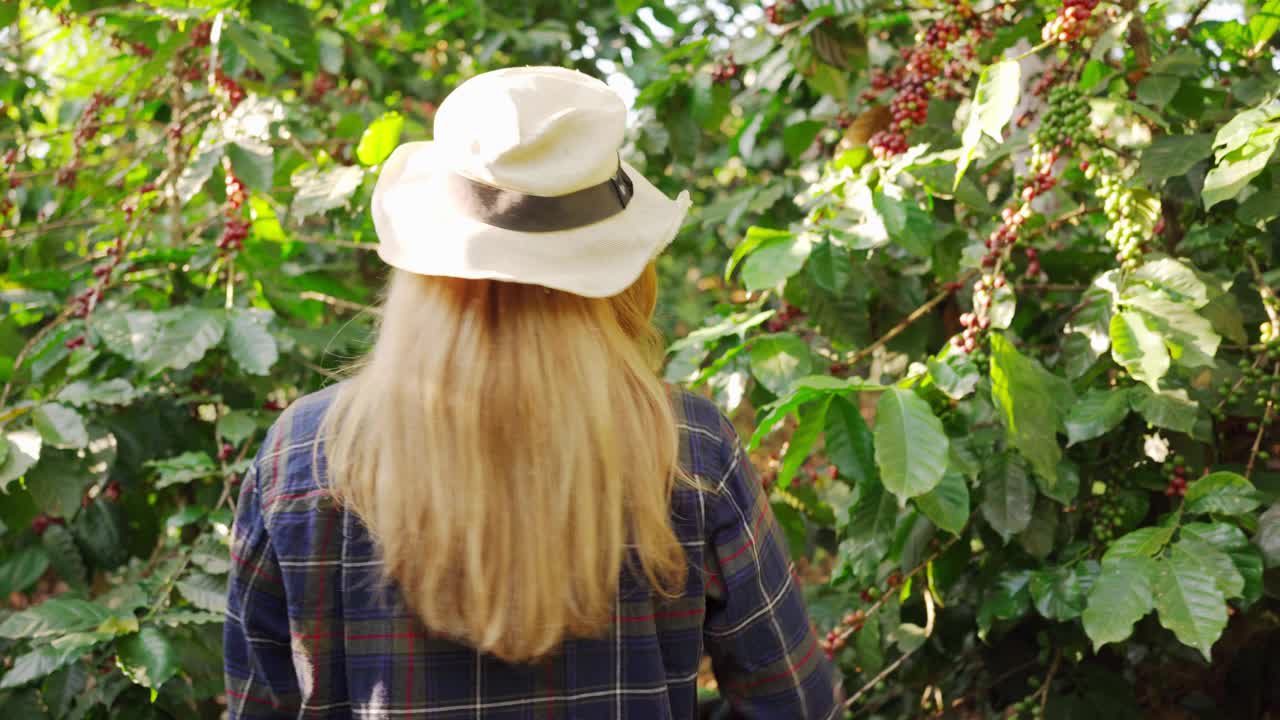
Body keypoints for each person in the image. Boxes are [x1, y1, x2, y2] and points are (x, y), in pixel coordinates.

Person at [223, 66, 841, 719]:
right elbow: (795, 705)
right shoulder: (686, 448)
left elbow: (259, 706)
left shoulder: (307, 455)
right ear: (616, 262)